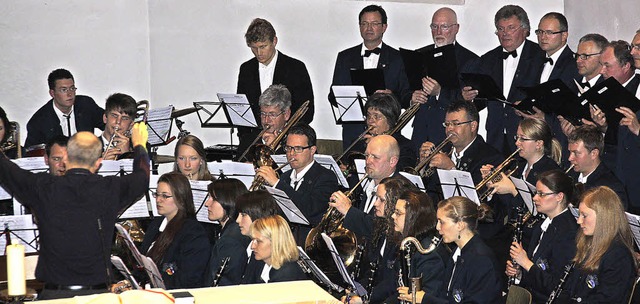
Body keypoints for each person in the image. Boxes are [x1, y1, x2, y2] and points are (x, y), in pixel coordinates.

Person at [0, 124, 149, 299]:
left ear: (66, 159)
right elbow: (142, 177)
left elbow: (6, 171)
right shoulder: (110, 189)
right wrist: (139, 145)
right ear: (98, 163)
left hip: (53, 297)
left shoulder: (43, 188)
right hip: (97, 296)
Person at [462, 5, 545, 155]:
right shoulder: (487, 60)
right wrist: (469, 98)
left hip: (529, 138)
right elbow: (482, 101)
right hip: (496, 137)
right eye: (500, 29)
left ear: (525, 30)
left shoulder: (540, 57)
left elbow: (545, 96)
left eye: (511, 28)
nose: (505, 33)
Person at [330, 4, 411, 151]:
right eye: (364, 23)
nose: (369, 28)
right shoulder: (345, 57)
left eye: (374, 24)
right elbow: (333, 95)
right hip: (353, 131)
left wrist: (391, 97)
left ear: (384, 27)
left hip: (386, 131)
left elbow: (407, 97)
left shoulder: (398, 59)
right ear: (359, 26)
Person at [333, 177, 416, 303]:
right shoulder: (383, 229)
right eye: (376, 198)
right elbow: (372, 273)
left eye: (381, 200)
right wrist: (356, 290)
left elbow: (391, 284)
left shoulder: (403, 240)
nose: (375, 204)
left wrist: (364, 299)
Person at [407, 196, 502, 303]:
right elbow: (447, 296)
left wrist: (425, 299)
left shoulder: (482, 260)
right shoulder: (457, 253)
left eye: (441, 222)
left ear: (460, 225)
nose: (437, 227)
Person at [255, 124, 339, 245]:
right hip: (281, 241)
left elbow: (309, 210)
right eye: (288, 148)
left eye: (298, 149)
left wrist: (277, 184)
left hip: (307, 244)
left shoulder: (326, 177)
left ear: (312, 150)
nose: (291, 154)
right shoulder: (285, 176)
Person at [236, 17, 314, 146]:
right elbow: (243, 111)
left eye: (263, 46)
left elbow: (307, 111)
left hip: (287, 143)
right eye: (254, 48)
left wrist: (282, 137)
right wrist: (250, 140)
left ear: (275, 41)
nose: (259, 53)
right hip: (256, 141)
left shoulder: (295, 67)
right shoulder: (246, 69)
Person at [505, 170, 578, 303]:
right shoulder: (541, 225)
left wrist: (526, 263)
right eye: (536, 193)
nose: (534, 198)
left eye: (541, 194)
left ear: (559, 197)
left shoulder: (569, 234)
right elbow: (537, 275)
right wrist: (520, 273)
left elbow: (556, 288)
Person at [411, 7, 478, 150]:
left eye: (444, 27)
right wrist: (412, 98)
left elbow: (469, 103)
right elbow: (405, 89)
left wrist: (440, 93)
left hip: (449, 133)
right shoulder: (419, 55)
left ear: (456, 28)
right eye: (434, 26)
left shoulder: (470, 60)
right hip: (420, 130)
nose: (438, 32)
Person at [557, 186, 636, 303]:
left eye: (584, 215)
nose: (579, 221)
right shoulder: (587, 242)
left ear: (603, 217)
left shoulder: (619, 257)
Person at [140, 173, 210, 289]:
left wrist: (147, 287)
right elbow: (143, 265)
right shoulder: (156, 224)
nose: (158, 200)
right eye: (157, 194)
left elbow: (188, 279)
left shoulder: (193, 233)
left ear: (181, 198)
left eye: (165, 196)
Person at [481, 118, 561, 218]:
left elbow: (538, 213)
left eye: (523, 139)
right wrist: (492, 186)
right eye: (517, 137)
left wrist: (513, 190)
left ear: (538, 144)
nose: (517, 143)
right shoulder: (518, 166)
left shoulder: (551, 172)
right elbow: (505, 207)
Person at [25, 68, 104, 148]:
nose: (70, 94)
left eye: (72, 88)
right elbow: (31, 155)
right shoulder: (38, 122)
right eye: (64, 90)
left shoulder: (86, 105)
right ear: (52, 93)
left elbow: (109, 123)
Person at [393, 189, 448, 303]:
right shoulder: (410, 243)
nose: (393, 216)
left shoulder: (428, 252)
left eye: (398, 213)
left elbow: (429, 296)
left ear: (413, 217)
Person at [349, 92, 417, 170]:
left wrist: (378, 144)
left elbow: (400, 174)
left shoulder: (405, 146)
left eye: (376, 116)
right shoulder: (360, 142)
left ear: (390, 120)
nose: (370, 121)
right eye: (368, 115)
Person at [566, 125, 628, 209]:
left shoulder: (611, 188)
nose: (570, 158)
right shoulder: (568, 178)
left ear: (594, 154)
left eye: (576, 153)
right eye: (570, 152)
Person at [203, 178, 250, 286]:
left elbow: (224, 283)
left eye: (213, 199)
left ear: (229, 201)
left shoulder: (230, 240)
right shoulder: (232, 230)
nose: (207, 204)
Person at [243, 215, 306, 284]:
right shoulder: (258, 259)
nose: (252, 246)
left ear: (276, 242)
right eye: (252, 239)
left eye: (258, 241)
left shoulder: (287, 274)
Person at [235, 190, 281, 283]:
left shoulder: (264, 252)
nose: (237, 220)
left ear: (258, 215)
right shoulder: (251, 246)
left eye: (243, 215)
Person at [236, 84, 291, 160]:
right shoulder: (248, 140)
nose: (266, 120)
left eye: (272, 114)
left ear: (286, 114)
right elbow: (236, 167)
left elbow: (293, 170)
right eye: (263, 114)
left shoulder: (296, 140)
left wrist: (277, 148)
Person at [100, 93, 137, 160]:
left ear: (131, 125)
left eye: (125, 118)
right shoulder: (87, 148)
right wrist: (103, 165)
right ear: (105, 118)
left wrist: (127, 155)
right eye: (114, 115)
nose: (118, 121)